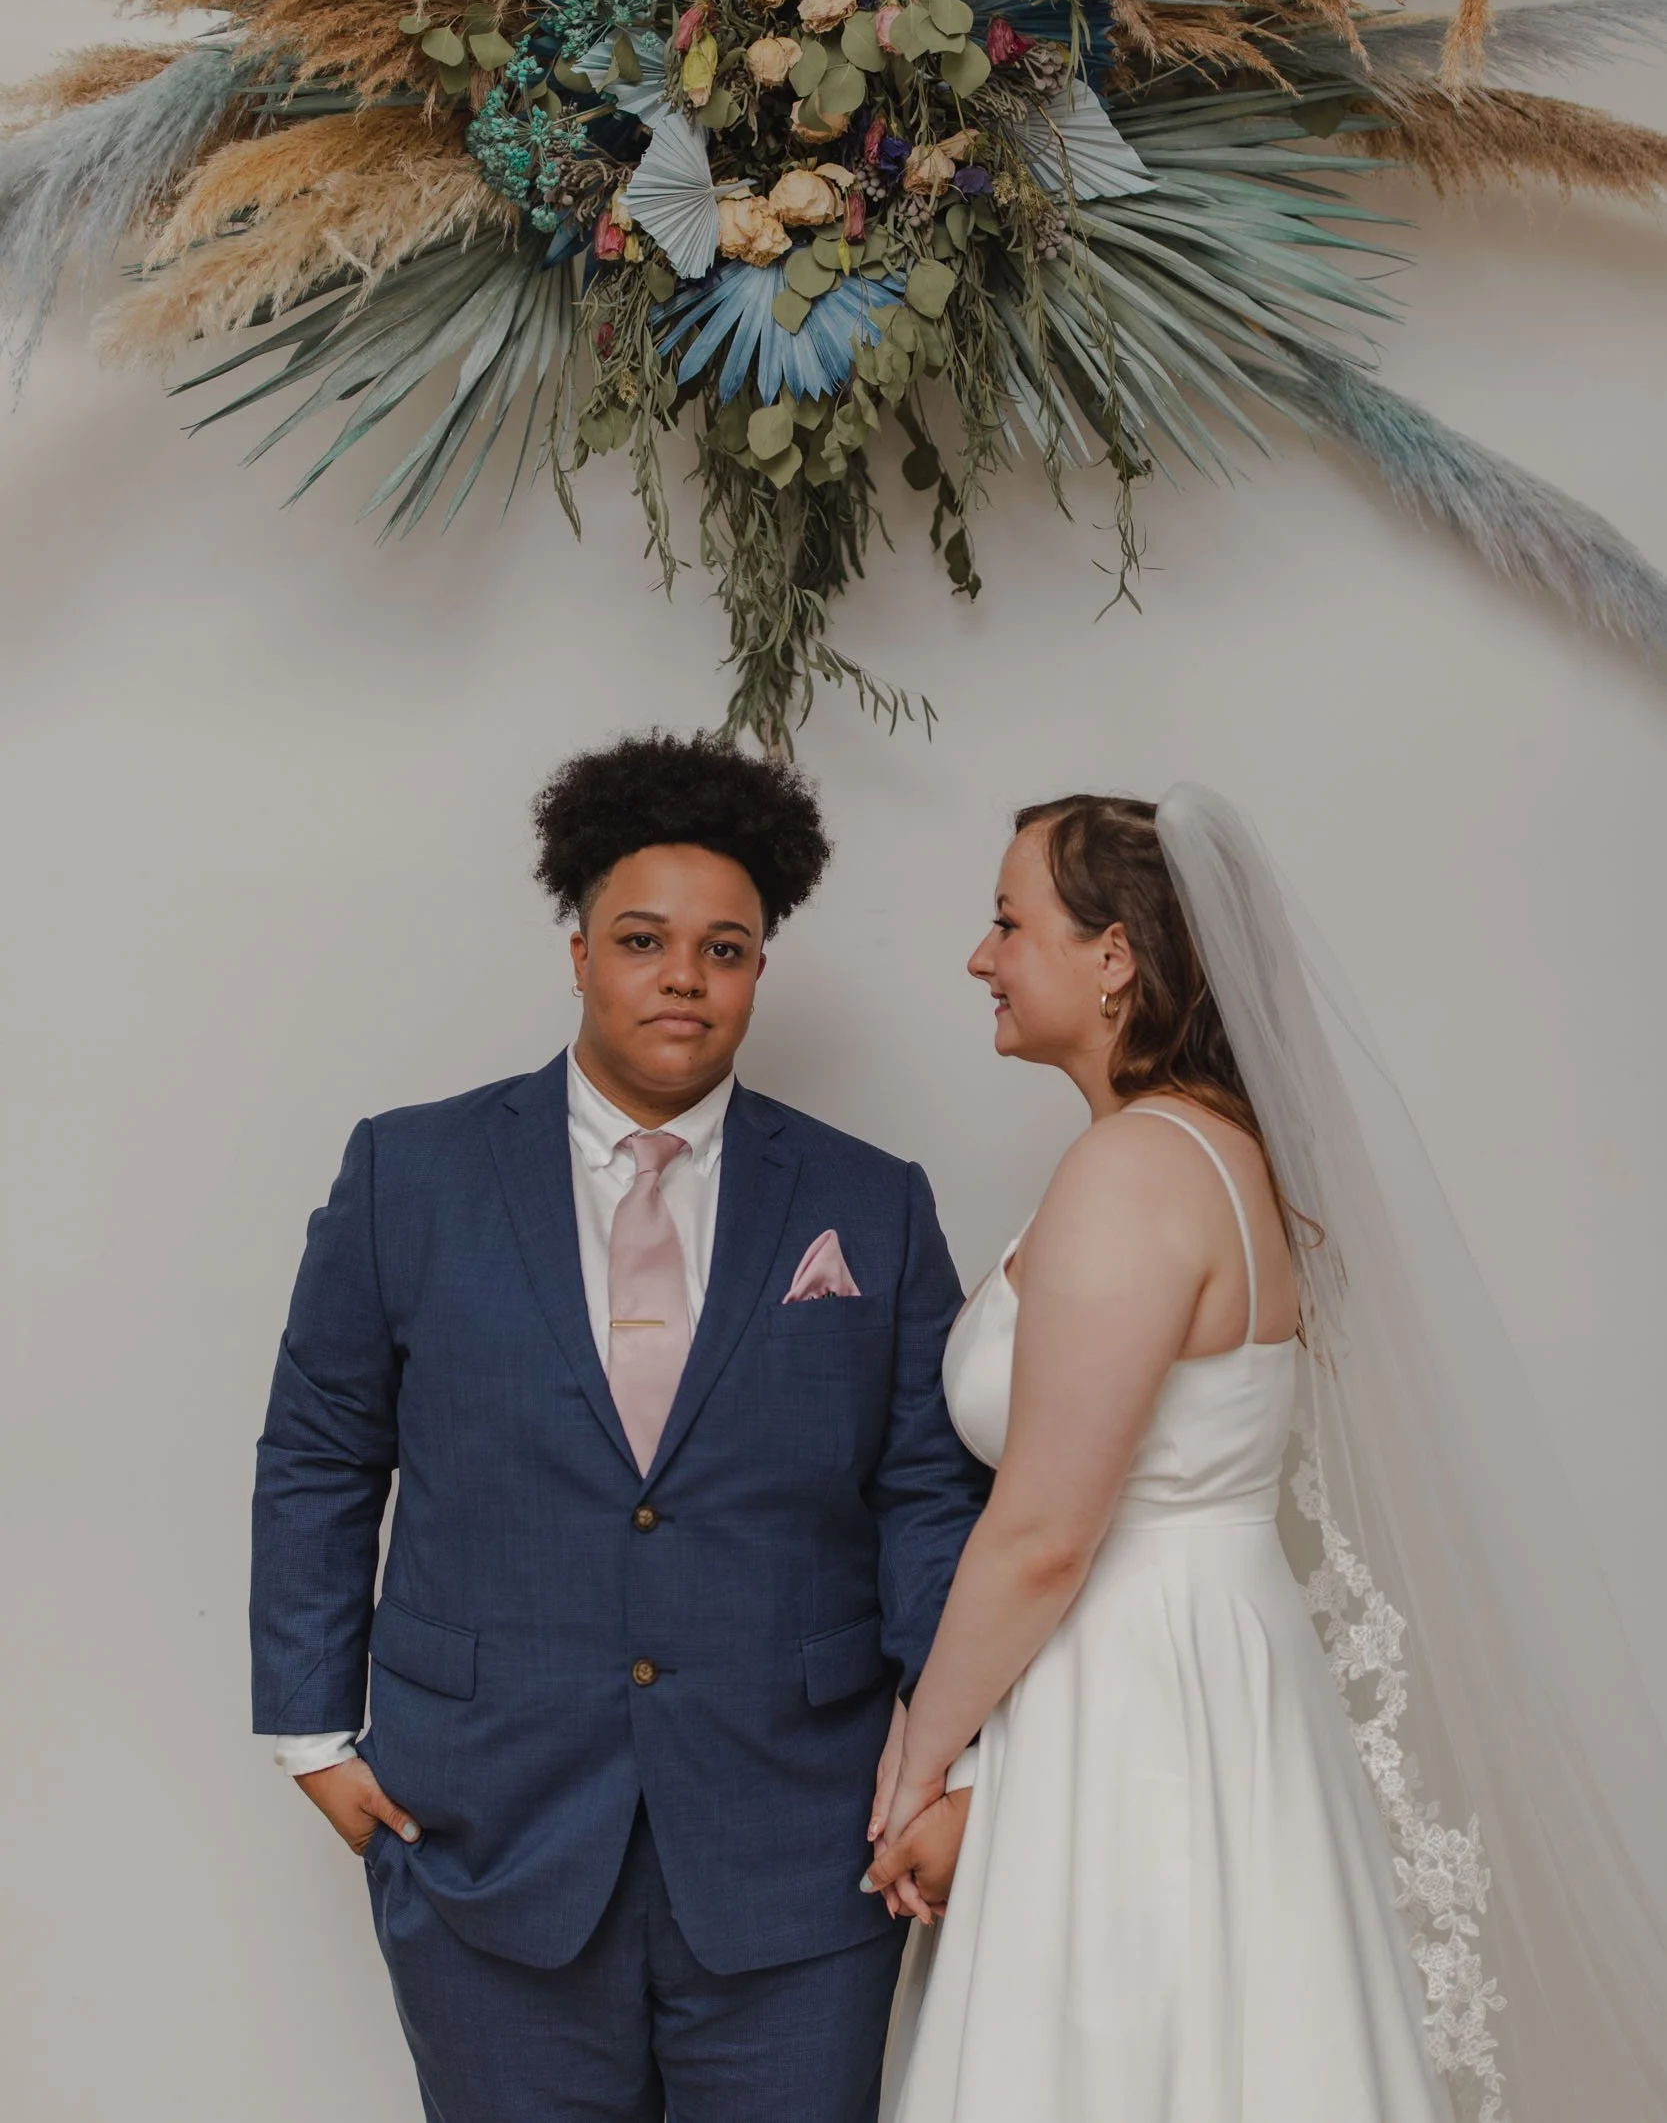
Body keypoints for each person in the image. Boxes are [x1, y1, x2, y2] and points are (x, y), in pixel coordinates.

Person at [870, 786, 1667, 2123]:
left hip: (1131, 1690)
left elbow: (1045, 1535)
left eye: (1007, 923)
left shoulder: (1134, 1169)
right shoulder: (1216, 1152)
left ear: (1111, 955)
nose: (979, 957)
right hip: (1207, 1670)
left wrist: (916, 1770)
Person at [250, 729, 988, 2123]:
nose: (683, 978)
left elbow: (925, 1494)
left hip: (805, 1838)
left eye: (725, 950)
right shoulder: (409, 1173)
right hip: (483, 1830)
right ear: (580, 952)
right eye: (644, 941)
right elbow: (321, 1453)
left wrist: (951, 1766)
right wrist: (311, 1735)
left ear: (758, 972)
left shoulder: (870, 1199)